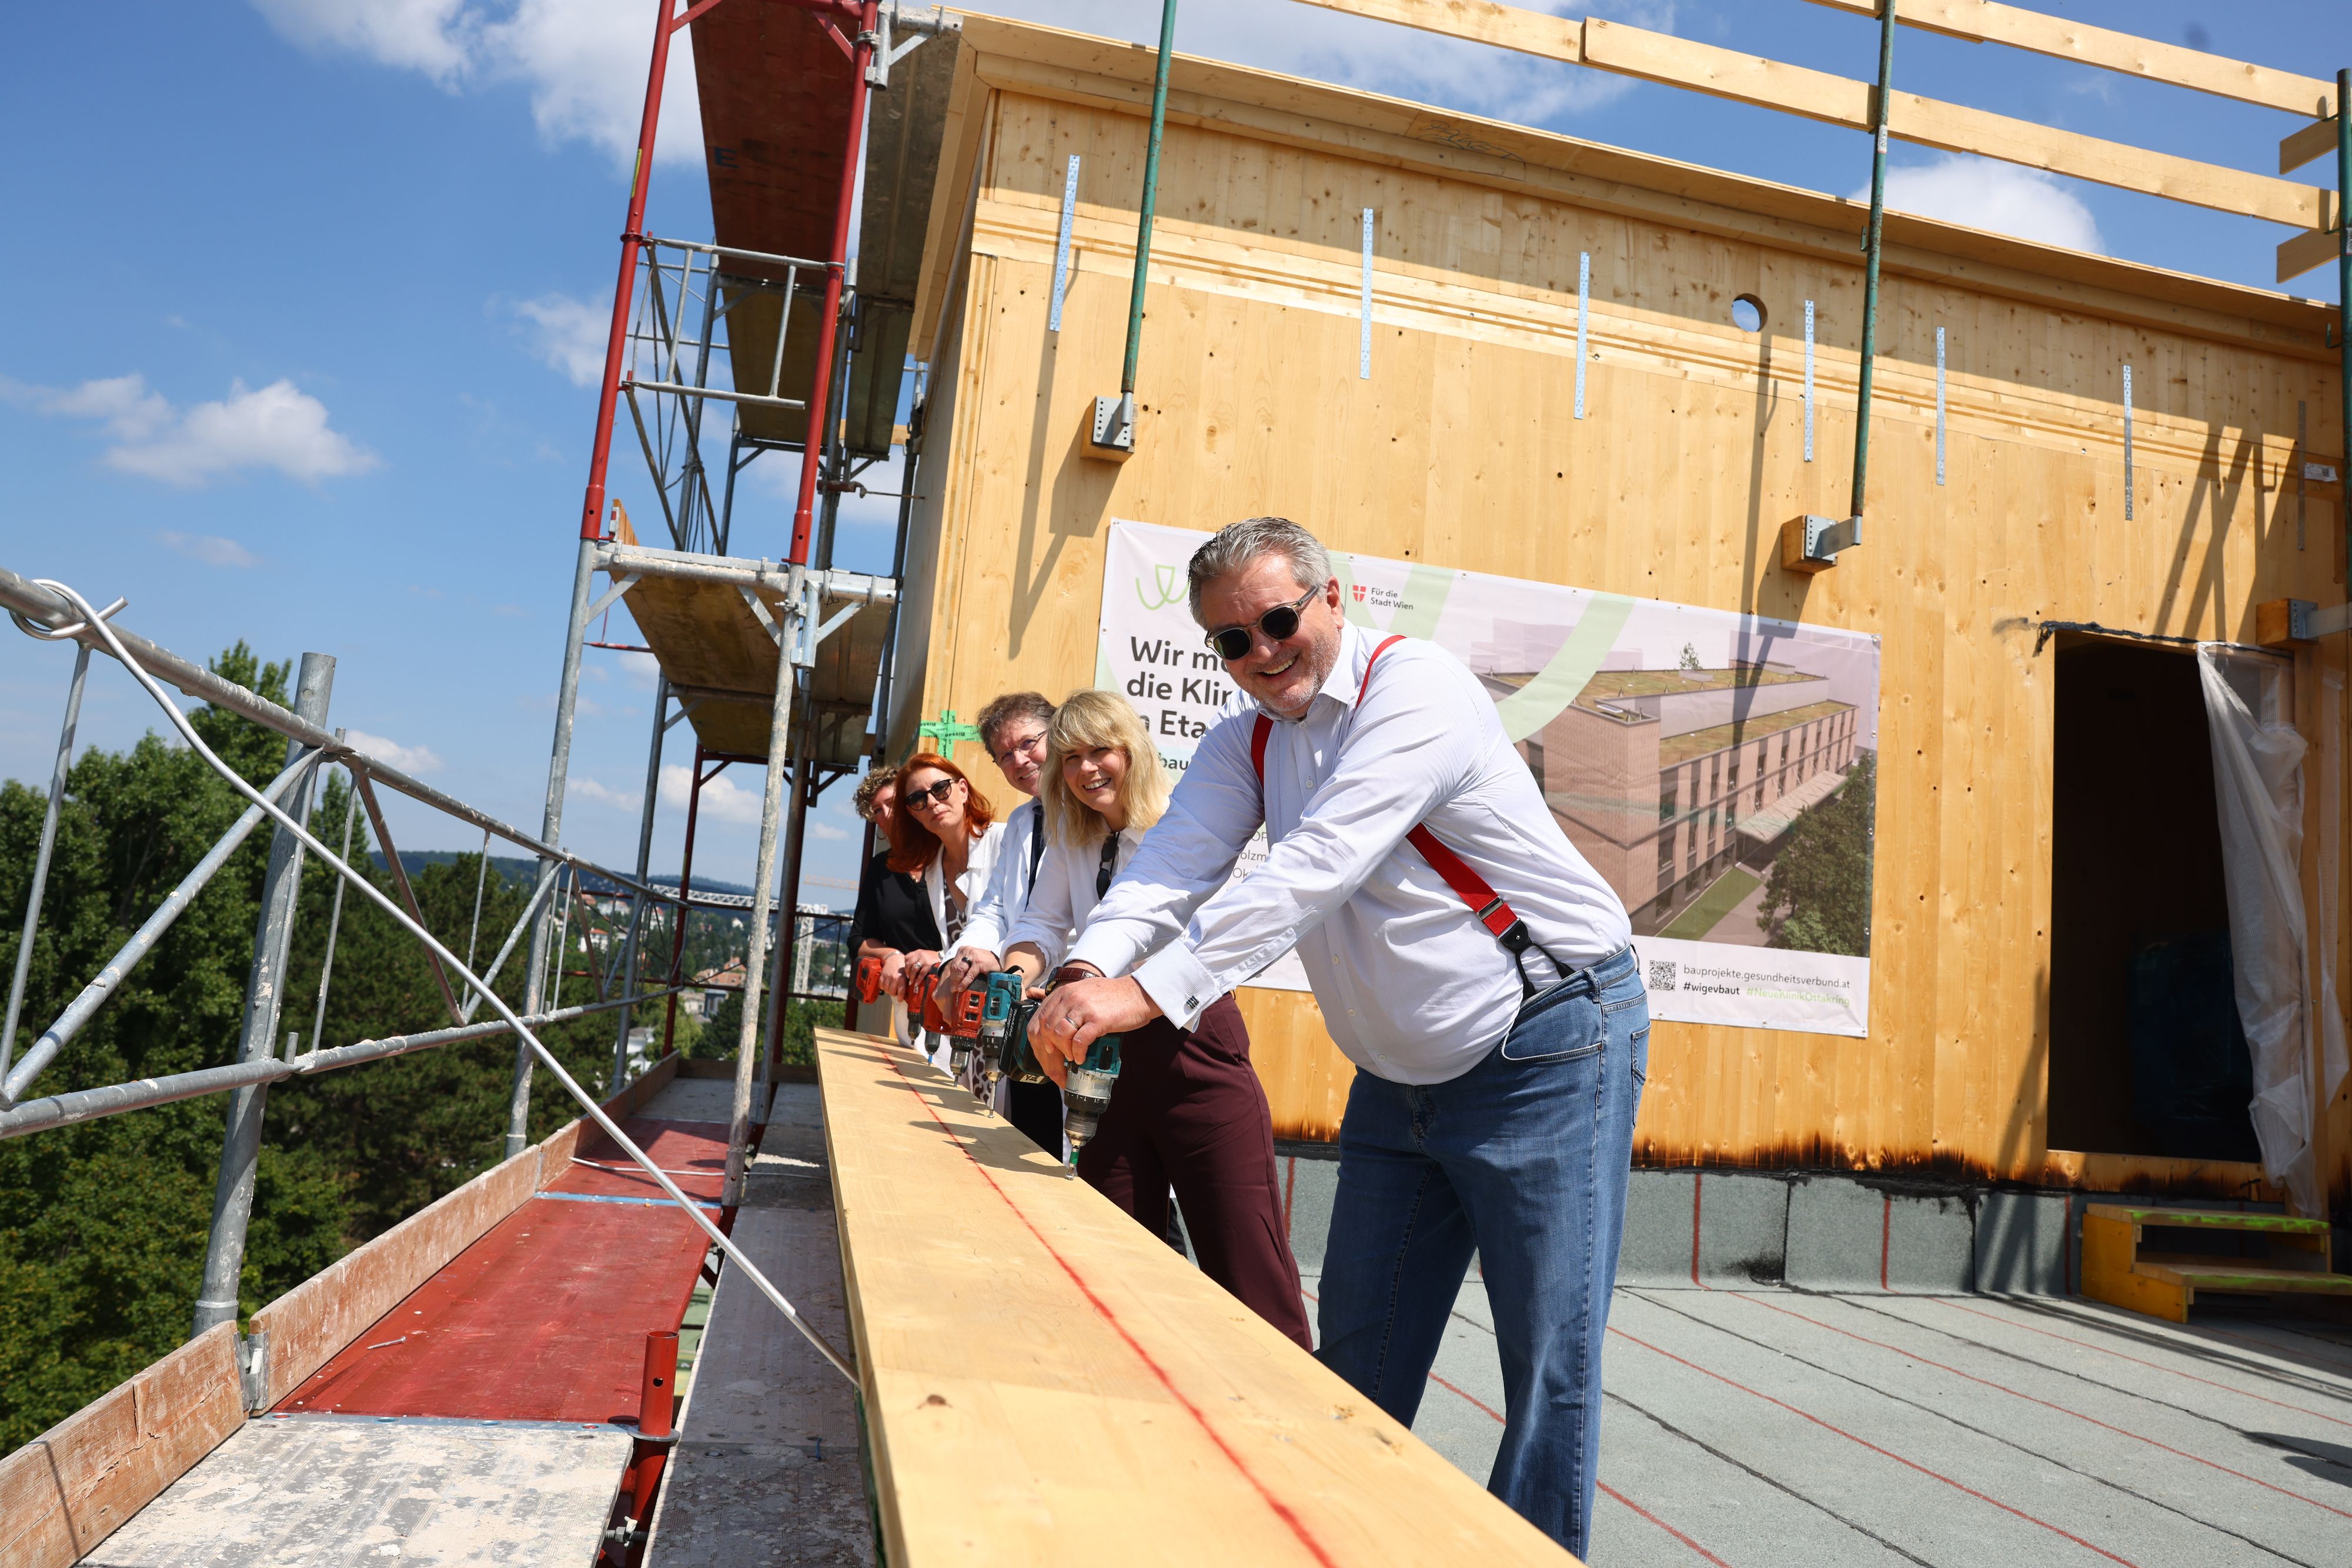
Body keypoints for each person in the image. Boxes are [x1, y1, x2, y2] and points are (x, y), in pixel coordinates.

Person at [1030, 517, 1643, 1557]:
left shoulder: (1421, 691)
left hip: (1548, 1048)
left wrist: (1151, 991)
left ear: (1332, 602)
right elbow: (1171, 866)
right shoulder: (1248, 740)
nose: (1262, 653)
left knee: (1548, 1362)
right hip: (1398, 1087)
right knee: (1355, 1361)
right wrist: (1090, 968)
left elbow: (1315, 864)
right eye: (1231, 640)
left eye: (1277, 621)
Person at [955, 690, 1312, 1351]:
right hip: (1103, 1057)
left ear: (1132, 751)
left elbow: (1198, 938)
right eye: (1070, 758)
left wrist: (1078, 982)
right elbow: (1042, 922)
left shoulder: (1181, 825)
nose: (1087, 770)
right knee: (1114, 1250)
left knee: (1246, 1260)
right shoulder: (1071, 834)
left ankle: (1295, 1419)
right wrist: (1015, 972)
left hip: (1193, 1047)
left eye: (1100, 751)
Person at [943, 691, 1067, 1154]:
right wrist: (973, 950)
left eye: (1028, 743)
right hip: (1024, 1008)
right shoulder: (1022, 821)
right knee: (1035, 1145)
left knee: (1099, 1169)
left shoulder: (1095, 811)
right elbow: (995, 907)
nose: (1019, 760)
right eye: (1004, 756)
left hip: (1081, 1004)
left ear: (1058, 733)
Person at [883, 752, 1001, 1071]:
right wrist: (938, 957)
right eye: (918, 799)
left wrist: (940, 959)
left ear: (963, 789)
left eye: (941, 789)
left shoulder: (1004, 842)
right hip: (966, 1025)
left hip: (1009, 1013)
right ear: (913, 813)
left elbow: (1026, 929)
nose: (933, 802)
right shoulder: (934, 869)